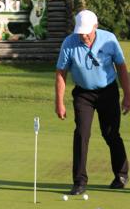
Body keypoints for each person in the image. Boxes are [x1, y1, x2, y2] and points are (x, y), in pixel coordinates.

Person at [55, 10, 130, 195]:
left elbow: (121, 68)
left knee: (111, 133)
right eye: (81, 32)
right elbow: (61, 73)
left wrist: (127, 95)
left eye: (87, 31)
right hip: (83, 94)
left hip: (108, 91)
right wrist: (59, 102)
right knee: (82, 134)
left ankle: (121, 175)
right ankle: (79, 181)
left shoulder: (109, 39)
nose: (84, 35)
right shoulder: (69, 43)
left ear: (95, 26)